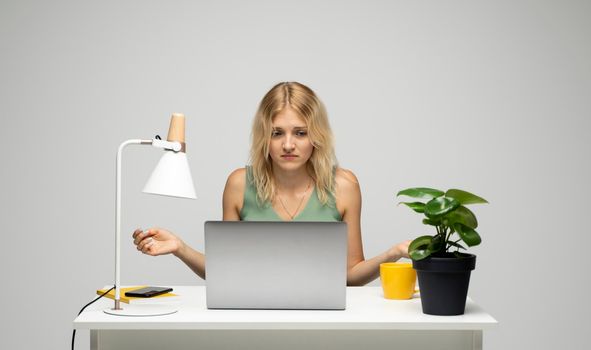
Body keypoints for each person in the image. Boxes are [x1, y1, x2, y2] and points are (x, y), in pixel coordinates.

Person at [132, 81, 410, 286]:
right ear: (264, 137)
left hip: (323, 322)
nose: (288, 144)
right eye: (277, 133)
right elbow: (225, 270)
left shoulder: (344, 185)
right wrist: (180, 247)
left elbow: (351, 274)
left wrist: (394, 252)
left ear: (316, 136)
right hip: (253, 319)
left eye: (300, 133)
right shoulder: (239, 184)